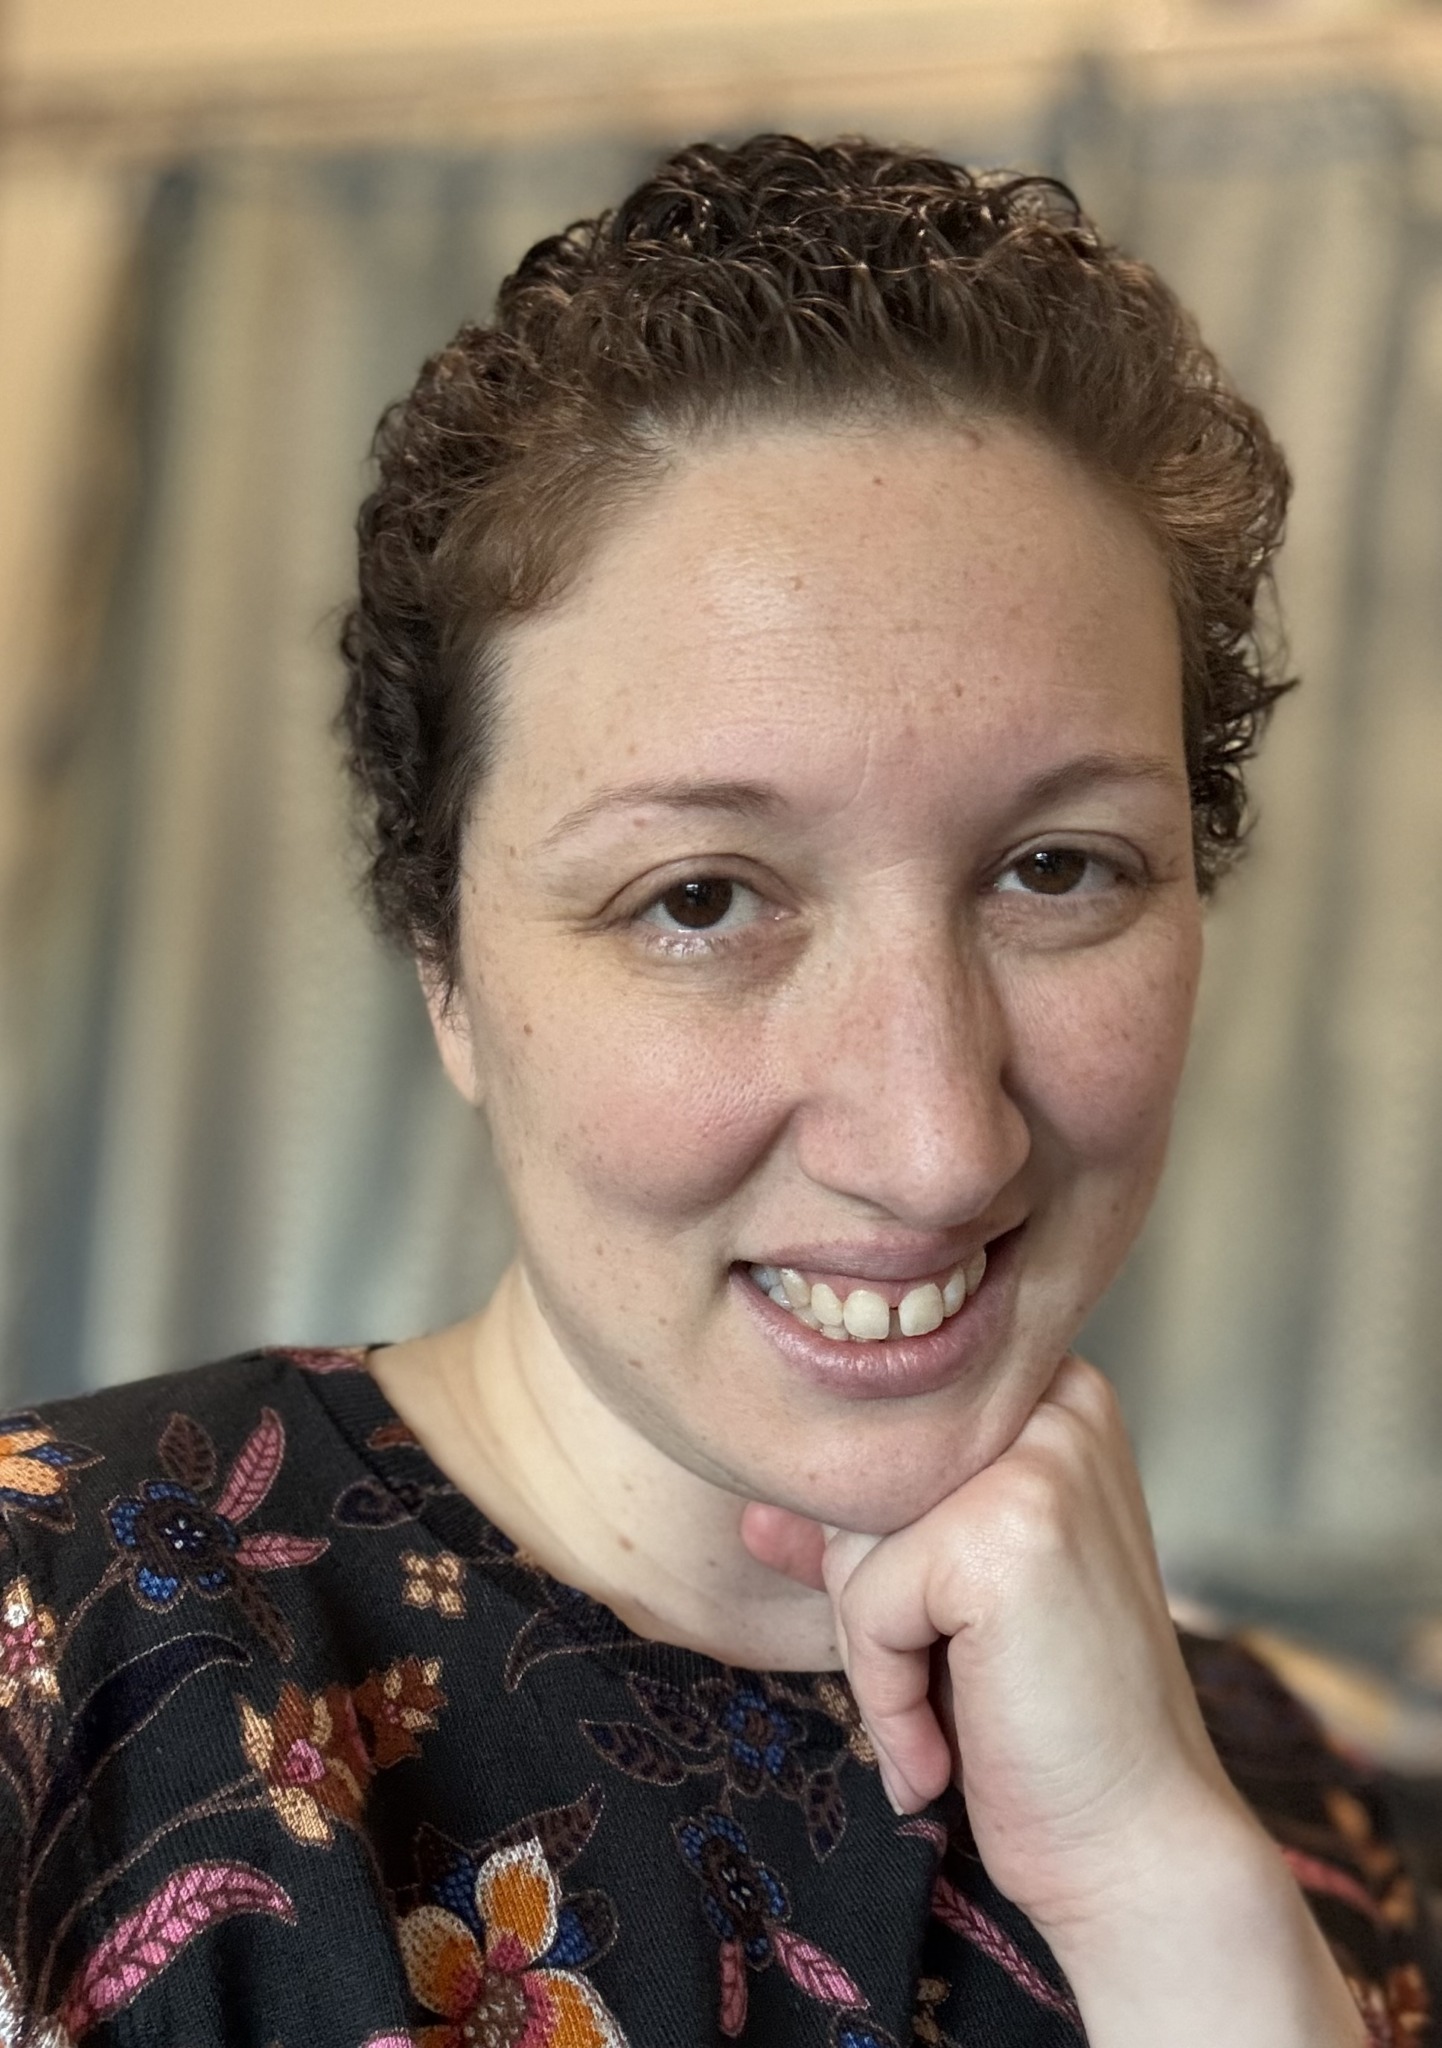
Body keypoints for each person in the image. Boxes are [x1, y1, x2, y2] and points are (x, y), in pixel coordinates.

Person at [0, 134, 1432, 2048]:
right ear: (444, 965)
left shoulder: (1309, 1823)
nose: (936, 1143)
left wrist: (1173, 1898)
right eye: (700, 899)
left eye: (1055, 868)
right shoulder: (54, 1657)